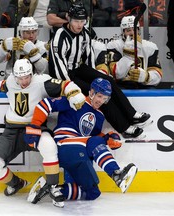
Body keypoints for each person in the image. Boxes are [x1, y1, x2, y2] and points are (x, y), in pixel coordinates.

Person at [0, 58, 85, 208]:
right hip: (11, 131)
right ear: (15, 75)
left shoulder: (41, 82)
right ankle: (16, 183)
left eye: (26, 77)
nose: (23, 81)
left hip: (35, 128)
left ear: (31, 73)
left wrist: (74, 92)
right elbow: (1, 85)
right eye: (20, 78)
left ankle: (52, 186)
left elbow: (65, 85)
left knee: (49, 146)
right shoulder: (11, 81)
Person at [26, 78, 137, 204]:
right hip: (63, 145)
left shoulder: (100, 115)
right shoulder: (77, 100)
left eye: (105, 98)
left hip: (79, 154)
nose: (101, 101)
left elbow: (91, 138)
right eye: (99, 96)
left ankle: (48, 189)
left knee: (92, 192)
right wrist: (35, 125)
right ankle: (116, 174)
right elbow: (45, 104)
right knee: (94, 141)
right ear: (91, 92)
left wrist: (107, 139)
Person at [49, 3, 151, 138]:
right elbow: (57, 64)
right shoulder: (60, 36)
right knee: (99, 93)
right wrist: (68, 86)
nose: (79, 25)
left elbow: (88, 55)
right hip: (64, 76)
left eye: (82, 21)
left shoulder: (84, 33)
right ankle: (124, 128)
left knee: (107, 80)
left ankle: (132, 115)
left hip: (78, 68)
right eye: (76, 21)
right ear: (69, 19)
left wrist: (96, 77)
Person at [106, 15, 163, 88]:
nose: (132, 33)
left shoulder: (150, 47)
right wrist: (129, 54)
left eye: (135, 29)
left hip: (144, 86)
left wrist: (146, 77)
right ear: (123, 32)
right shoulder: (114, 46)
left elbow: (158, 75)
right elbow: (116, 74)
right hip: (121, 85)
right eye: (128, 30)